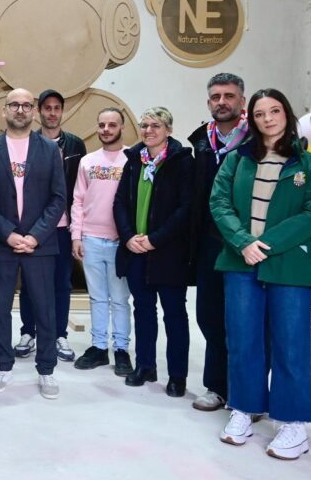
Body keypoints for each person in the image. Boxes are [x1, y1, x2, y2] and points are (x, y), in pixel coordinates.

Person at [211, 88, 311, 461]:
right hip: (240, 260)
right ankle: (244, 408)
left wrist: (267, 244)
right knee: (243, 340)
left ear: (287, 114)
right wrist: (244, 241)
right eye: (260, 114)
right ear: (252, 120)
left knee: (290, 344)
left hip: (288, 264)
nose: (268, 119)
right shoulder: (237, 160)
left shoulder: (309, 165)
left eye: (275, 111)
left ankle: (292, 422)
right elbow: (219, 202)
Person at [0, 89, 66, 399]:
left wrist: (35, 235)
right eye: (14, 105)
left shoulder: (49, 149)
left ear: (34, 111)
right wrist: (9, 234)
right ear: (4, 111)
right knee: (0, 307)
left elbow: (58, 199)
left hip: (40, 244)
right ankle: (3, 365)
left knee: (44, 307)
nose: (20, 110)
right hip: (2, 244)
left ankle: (46, 370)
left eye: (26, 105)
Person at [113, 107, 193, 396]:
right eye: (144, 125)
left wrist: (155, 239)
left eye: (155, 125)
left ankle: (177, 376)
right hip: (136, 251)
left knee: (174, 314)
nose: (148, 130)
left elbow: (186, 209)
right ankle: (145, 366)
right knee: (143, 310)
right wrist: (128, 237)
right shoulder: (134, 160)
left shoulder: (182, 162)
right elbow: (120, 202)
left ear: (168, 130)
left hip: (168, 252)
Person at [188, 72, 248, 412]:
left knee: (243, 319)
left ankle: (246, 391)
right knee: (209, 316)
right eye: (215, 96)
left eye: (228, 96)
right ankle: (217, 386)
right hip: (210, 242)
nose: (221, 102)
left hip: (245, 243)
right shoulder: (200, 141)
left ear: (242, 99)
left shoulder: (255, 140)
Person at [16, 89, 86, 362]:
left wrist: (77, 227)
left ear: (62, 112)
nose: (52, 113)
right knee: (30, 282)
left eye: (57, 108)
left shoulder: (76, 145)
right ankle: (27, 331)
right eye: (47, 108)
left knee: (61, 282)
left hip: (62, 226)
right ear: (38, 111)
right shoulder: (25, 143)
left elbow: (80, 190)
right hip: (32, 226)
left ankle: (59, 334)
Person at [71, 108, 132, 375]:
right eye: (102, 124)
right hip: (92, 238)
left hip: (122, 242)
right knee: (97, 298)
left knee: (119, 299)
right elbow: (78, 200)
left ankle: (121, 349)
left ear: (122, 127)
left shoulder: (132, 159)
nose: (106, 129)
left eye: (112, 124)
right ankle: (98, 347)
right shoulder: (87, 161)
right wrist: (76, 235)